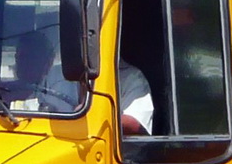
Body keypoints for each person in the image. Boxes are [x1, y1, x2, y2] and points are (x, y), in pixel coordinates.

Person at [11, 32, 154, 134]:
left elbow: (135, 123)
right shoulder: (57, 73)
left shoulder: (131, 77)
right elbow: (34, 103)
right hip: (54, 144)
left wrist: (91, 112)